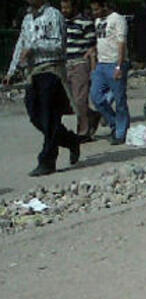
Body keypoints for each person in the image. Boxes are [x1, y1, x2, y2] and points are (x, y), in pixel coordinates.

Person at [3, 0, 80, 176]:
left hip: (50, 69)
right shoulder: (27, 19)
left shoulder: (54, 15)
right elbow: (21, 44)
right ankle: (69, 140)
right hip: (33, 71)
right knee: (35, 114)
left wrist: (35, 48)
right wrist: (12, 70)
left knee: (49, 115)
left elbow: (58, 45)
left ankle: (47, 160)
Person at [89, 0, 129, 143]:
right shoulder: (98, 21)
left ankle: (121, 131)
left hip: (114, 63)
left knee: (119, 100)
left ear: (104, 6)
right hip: (101, 64)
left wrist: (119, 66)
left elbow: (121, 43)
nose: (95, 13)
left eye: (96, 10)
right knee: (96, 96)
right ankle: (113, 122)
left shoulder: (118, 19)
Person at [61, 0, 100, 142]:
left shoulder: (85, 23)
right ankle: (92, 116)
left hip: (79, 63)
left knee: (80, 100)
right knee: (70, 101)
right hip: (65, 64)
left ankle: (83, 132)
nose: (64, 10)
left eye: (66, 7)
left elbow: (92, 46)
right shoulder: (62, 23)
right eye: (62, 7)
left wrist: (91, 66)